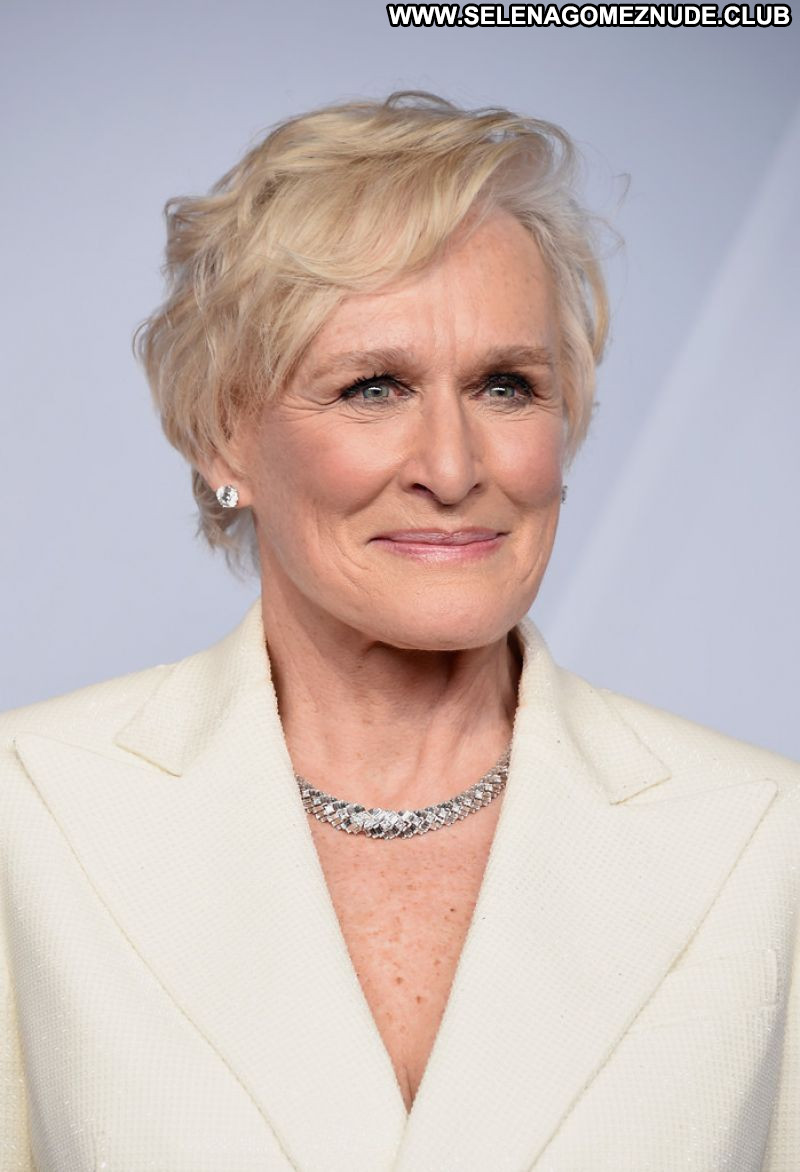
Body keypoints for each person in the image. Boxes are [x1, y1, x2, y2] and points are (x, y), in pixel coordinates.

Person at [1, 90, 797, 1172]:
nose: (454, 467)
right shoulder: (30, 810)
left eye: (506, 386)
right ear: (222, 435)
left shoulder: (766, 839)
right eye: (373, 387)